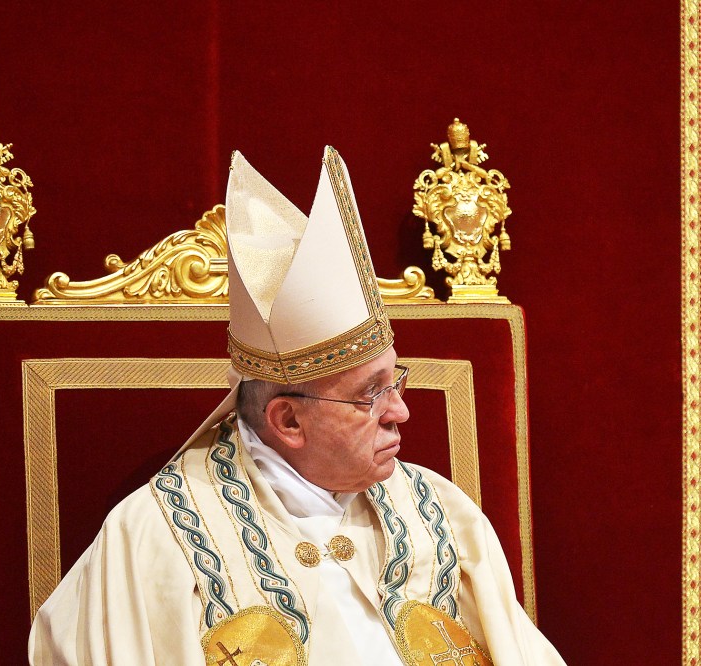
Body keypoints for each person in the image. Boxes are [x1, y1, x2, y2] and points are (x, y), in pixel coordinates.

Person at [29, 147, 565, 665]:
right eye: (370, 393)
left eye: (395, 383)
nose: (400, 412)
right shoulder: (156, 539)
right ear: (288, 420)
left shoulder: (439, 513)